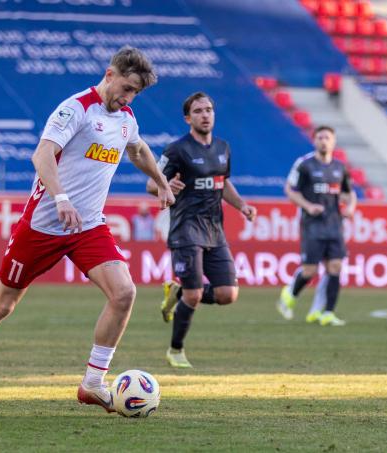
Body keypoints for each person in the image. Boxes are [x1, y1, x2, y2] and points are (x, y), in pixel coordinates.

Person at [0, 46, 175, 412]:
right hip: (43, 225)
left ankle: (93, 383)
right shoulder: (76, 109)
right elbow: (41, 155)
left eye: (136, 93)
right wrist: (61, 199)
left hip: (88, 227)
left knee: (124, 293)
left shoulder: (126, 118)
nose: (129, 97)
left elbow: (138, 150)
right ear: (110, 74)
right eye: (127, 88)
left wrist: (161, 181)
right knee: (2, 306)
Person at [146, 92, 257, 368]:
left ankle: (177, 292)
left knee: (227, 294)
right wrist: (165, 186)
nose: (205, 115)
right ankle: (176, 350)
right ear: (188, 118)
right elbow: (151, 184)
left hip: (214, 230)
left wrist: (242, 205)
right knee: (194, 295)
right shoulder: (177, 150)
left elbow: (223, 182)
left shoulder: (223, 148)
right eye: (198, 111)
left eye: (208, 110)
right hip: (185, 229)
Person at [276, 125, 356, 326]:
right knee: (310, 270)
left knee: (335, 267)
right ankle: (290, 292)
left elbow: (348, 193)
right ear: (314, 141)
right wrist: (308, 206)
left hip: (334, 224)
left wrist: (350, 207)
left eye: (327, 138)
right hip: (312, 225)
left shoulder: (340, 167)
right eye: (320, 137)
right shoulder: (305, 165)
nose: (324, 141)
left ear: (334, 142)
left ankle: (326, 313)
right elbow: (290, 190)